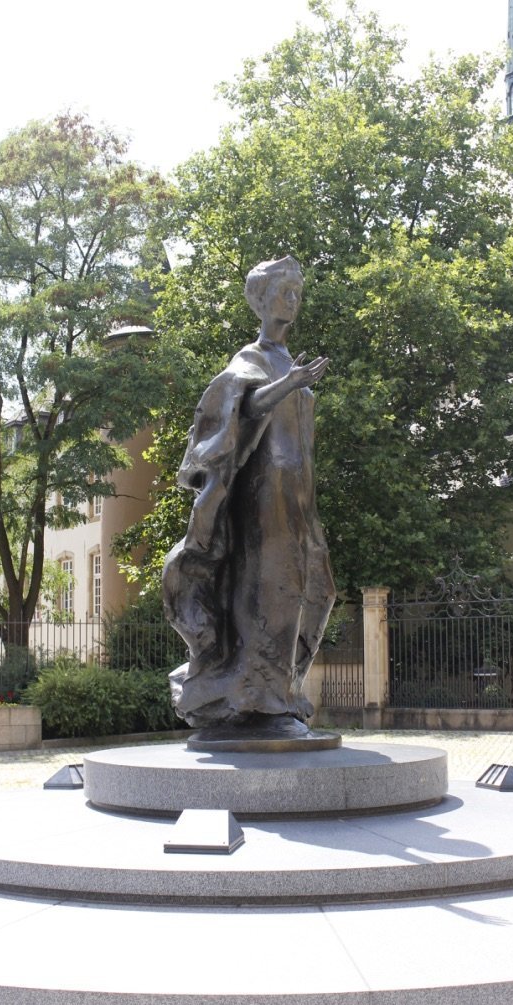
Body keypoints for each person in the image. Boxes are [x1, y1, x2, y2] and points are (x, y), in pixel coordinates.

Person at [162, 256, 335, 733]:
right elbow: (242, 407)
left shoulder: (288, 362)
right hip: (263, 495)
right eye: (284, 291)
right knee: (271, 589)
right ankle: (262, 700)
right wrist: (289, 385)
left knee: (316, 588)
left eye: (297, 292)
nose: (293, 299)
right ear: (260, 299)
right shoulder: (252, 359)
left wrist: (294, 381)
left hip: (298, 495)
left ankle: (281, 691)